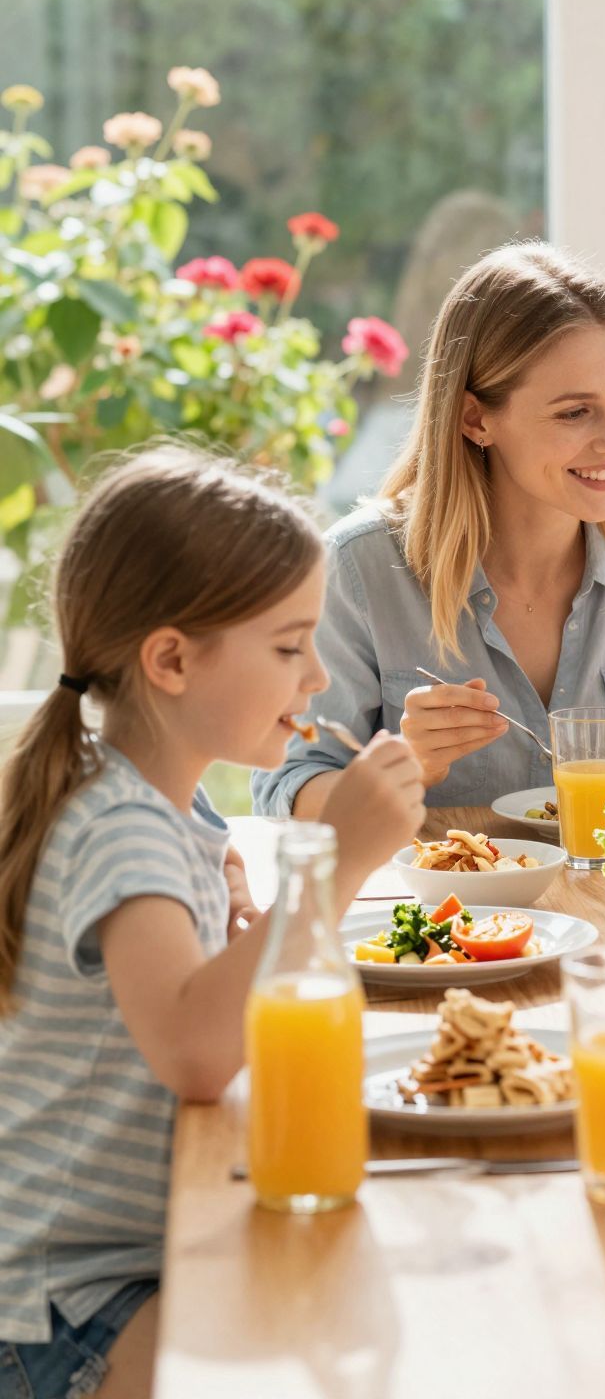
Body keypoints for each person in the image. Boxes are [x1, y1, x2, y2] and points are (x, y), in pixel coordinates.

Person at [0, 447, 424, 1395]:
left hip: (118, 1259)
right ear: (171, 660)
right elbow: (196, 1052)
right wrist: (337, 857)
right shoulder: (119, 826)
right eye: (289, 647)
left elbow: (201, 1005)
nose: (318, 676)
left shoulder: (157, 804)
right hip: (65, 1310)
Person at [254, 243, 605, 818]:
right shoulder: (358, 568)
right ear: (476, 418)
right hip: (434, 882)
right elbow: (286, 792)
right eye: (575, 412)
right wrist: (404, 767)